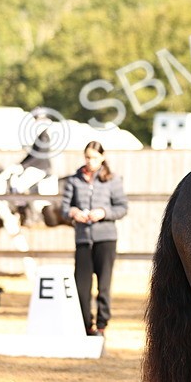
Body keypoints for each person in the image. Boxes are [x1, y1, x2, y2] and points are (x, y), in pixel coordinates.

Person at [61, 141, 128, 336]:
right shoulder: (74, 180)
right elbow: (64, 209)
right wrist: (74, 213)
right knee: (81, 286)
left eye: (95, 158)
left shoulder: (112, 180)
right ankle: (85, 325)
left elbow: (122, 207)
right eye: (88, 157)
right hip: (83, 239)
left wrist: (103, 212)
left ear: (102, 157)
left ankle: (102, 324)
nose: (91, 161)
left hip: (105, 239)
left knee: (104, 285)